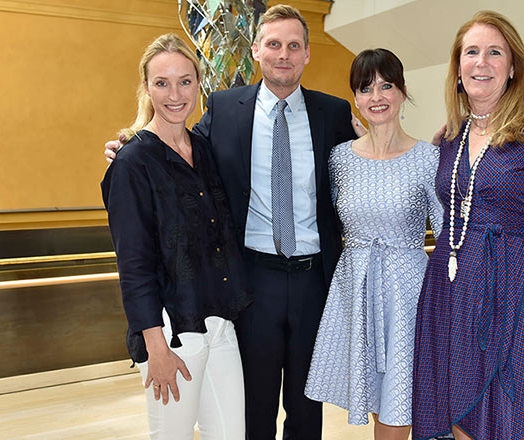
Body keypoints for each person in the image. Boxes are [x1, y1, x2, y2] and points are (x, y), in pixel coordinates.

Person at [105, 5, 358, 439]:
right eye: (274, 44)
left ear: (307, 54)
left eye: (293, 45)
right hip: (251, 281)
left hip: (315, 279)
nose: (283, 54)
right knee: (250, 410)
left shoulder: (333, 114)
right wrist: (129, 143)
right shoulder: (225, 109)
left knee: (307, 408)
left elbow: (366, 163)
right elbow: (170, 148)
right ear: (257, 50)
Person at [412, 10, 524, 440]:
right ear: (458, 68)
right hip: (450, 296)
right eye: (471, 52)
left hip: (516, 298)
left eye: (494, 52)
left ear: (512, 68)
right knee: (458, 422)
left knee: (519, 417)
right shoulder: (450, 136)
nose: (481, 62)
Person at [101, 33, 251, 439]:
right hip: (172, 333)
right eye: (162, 82)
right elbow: (133, 265)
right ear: (146, 87)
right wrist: (156, 348)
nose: (174, 94)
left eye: (185, 81)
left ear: (199, 85)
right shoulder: (132, 162)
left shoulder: (202, 148)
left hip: (220, 321)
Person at [303, 49, 444, 440]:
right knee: (378, 400)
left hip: (409, 295)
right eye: (366, 89)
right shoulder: (339, 160)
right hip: (356, 290)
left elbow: (448, 233)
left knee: (399, 403)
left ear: (401, 92)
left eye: (386, 86)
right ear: (356, 98)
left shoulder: (428, 158)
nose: (377, 97)